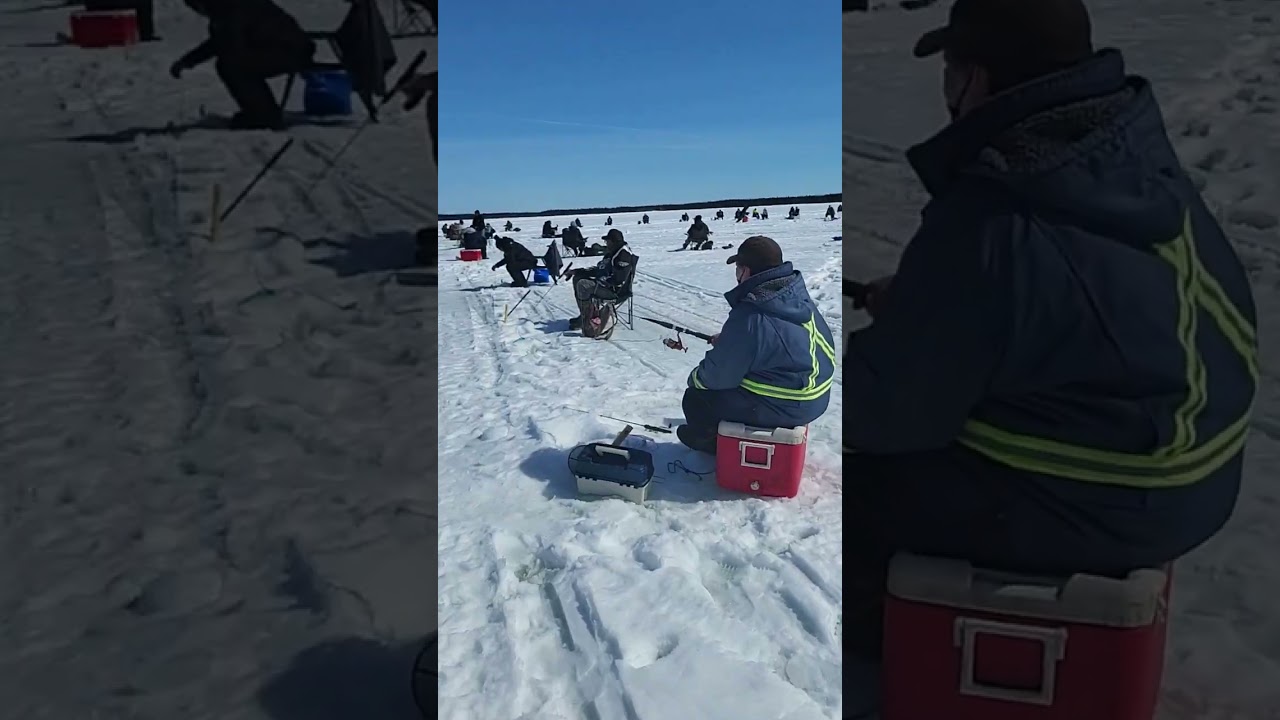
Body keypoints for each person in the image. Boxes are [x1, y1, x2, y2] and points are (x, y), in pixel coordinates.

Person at [842, 0, 1258, 662]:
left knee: (846, 498)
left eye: (951, 68)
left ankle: (867, 679)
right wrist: (933, 307)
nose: (947, 88)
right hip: (1199, 473)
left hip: (1104, 500)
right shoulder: (1125, 155)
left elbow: (886, 410)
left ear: (976, 78)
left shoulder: (998, 208)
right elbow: (1069, 294)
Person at [678, 236, 836, 454]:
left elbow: (716, 376)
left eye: (737, 268)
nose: (736, 274)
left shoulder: (751, 313)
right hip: (817, 397)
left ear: (747, 271)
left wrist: (695, 377)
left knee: (696, 398)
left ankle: (714, 446)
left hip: (790, 405)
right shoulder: (793, 294)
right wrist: (733, 341)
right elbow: (776, 338)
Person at [170, 0, 315, 130]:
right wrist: (187, 61)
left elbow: (229, 43)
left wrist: (187, 61)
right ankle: (260, 112)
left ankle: (264, 115)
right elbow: (220, 42)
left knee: (232, 66)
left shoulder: (230, 9)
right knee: (233, 64)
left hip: (289, 51)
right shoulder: (224, 9)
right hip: (286, 47)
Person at [567, 229, 637, 337]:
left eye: (608, 241)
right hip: (606, 286)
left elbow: (619, 280)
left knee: (583, 285)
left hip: (615, 291)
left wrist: (600, 282)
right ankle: (585, 316)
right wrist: (578, 271)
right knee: (578, 278)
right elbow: (600, 269)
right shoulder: (611, 254)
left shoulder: (623, 255)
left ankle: (587, 321)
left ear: (614, 242)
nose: (606, 244)